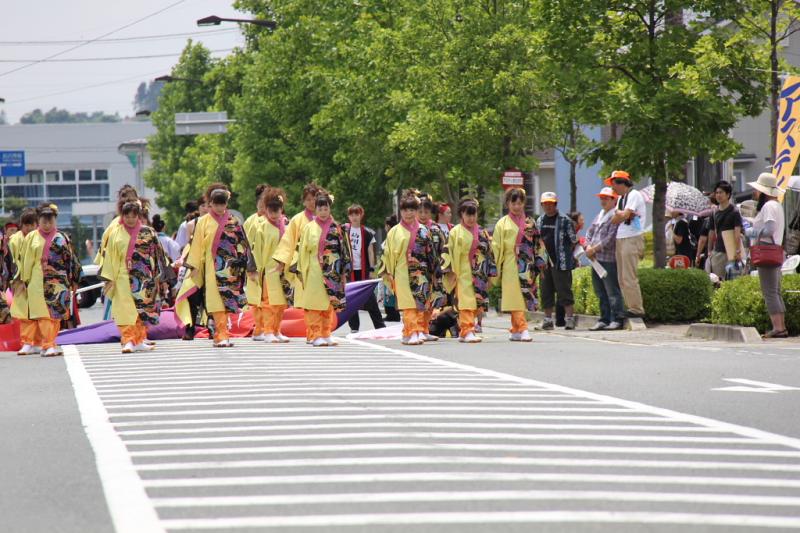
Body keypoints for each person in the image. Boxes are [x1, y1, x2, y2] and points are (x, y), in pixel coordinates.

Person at [176, 184, 255, 348]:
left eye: (223, 203)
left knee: (227, 302)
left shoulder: (234, 221)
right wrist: (194, 266)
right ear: (210, 203)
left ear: (227, 204)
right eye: (216, 203)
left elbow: (243, 244)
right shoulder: (203, 222)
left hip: (230, 268)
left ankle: (222, 333)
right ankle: (221, 335)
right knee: (216, 302)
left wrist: (246, 264)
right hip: (212, 268)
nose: (220, 207)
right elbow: (196, 245)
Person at [11, 204, 81, 357]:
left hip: (58, 280)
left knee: (54, 315)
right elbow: (26, 260)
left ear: (55, 221)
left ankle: (49, 343)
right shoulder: (31, 237)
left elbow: (71, 260)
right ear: (39, 221)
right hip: (37, 279)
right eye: (44, 222)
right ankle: (47, 344)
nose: (47, 225)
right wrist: (24, 279)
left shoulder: (62, 238)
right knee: (42, 314)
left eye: (50, 222)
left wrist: (74, 279)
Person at [101, 201, 169, 353]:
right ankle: (128, 340)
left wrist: (161, 277)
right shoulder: (115, 233)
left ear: (138, 216)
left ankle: (138, 339)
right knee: (125, 310)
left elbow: (159, 255)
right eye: (127, 216)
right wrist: (109, 278)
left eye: (133, 216)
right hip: (122, 276)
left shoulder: (148, 232)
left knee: (142, 309)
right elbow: (110, 257)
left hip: (145, 277)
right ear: (122, 216)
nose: (130, 219)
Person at [294, 193, 351, 347]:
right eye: (320, 208)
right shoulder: (308, 228)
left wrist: (344, 272)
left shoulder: (337, 227)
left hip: (333, 270)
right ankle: (315, 333)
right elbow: (303, 251)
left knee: (328, 304)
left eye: (326, 208)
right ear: (316, 210)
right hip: (313, 269)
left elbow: (344, 250)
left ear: (329, 209)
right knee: (314, 304)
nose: (323, 212)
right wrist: (302, 272)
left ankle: (326, 333)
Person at [381, 193, 436, 345]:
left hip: (421, 271)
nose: (409, 213)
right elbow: (388, 253)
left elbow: (430, 252)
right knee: (408, 303)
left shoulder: (424, 230)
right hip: (402, 271)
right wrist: (390, 273)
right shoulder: (394, 231)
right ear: (401, 212)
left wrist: (433, 272)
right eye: (405, 210)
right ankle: (411, 332)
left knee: (418, 303)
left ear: (416, 211)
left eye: (412, 210)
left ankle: (413, 331)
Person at [442, 197, 496, 343]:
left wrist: (490, 274)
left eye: (474, 214)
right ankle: (467, 330)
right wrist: (450, 271)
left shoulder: (482, 232)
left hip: (479, 273)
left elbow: (489, 254)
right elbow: (448, 252)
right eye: (468, 214)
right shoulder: (455, 232)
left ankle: (465, 329)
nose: (471, 218)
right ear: (461, 215)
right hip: (462, 272)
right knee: (466, 302)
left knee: (476, 303)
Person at [491, 187, 539, 342]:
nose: (517, 206)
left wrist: (540, 263)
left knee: (523, 295)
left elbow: (538, 244)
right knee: (515, 296)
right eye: (514, 203)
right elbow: (496, 246)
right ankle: (523, 328)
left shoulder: (529, 223)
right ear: (507, 204)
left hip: (527, 263)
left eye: (520, 203)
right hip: (510, 262)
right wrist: (494, 269)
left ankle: (516, 328)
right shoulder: (502, 224)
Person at [745, 173, 787, 338]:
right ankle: (780, 326)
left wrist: (753, 231)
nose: (755, 193)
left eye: (757, 190)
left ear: (764, 191)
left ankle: (778, 327)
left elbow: (769, 229)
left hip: (766, 249)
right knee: (775, 291)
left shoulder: (768, 206)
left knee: (769, 291)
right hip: (775, 249)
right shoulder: (777, 205)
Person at [273, 182, 324, 316]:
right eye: (308, 199)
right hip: (303, 264)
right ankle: (310, 330)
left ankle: (321, 331)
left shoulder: (326, 219)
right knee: (304, 299)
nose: (312, 202)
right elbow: (288, 241)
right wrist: (282, 261)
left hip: (322, 263)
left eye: (314, 199)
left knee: (322, 298)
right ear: (303, 202)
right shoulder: (297, 219)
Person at [248, 187, 292, 343]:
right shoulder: (262, 227)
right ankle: (267, 331)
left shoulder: (285, 226)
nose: (274, 213)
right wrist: (253, 270)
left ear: (281, 210)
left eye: (277, 210)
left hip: (282, 270)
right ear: (266, 209)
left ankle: (276, 330)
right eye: (271, 210)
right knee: (268, 302)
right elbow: (254, 250)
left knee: (280, 303)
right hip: (267, 269)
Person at [585, 187, 625, 331]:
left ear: (614, 200)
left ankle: (617, 319)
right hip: (595, 259)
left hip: (607, 259)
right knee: (600, 291)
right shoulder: (600, 214)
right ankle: (604, 318)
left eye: (606, 198)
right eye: (601, 198)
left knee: (612, 290)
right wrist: (587, 245)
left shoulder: (615, 215)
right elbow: (589, 232)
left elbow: (610, 239)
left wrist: (593, 249)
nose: (603, 201)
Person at [537, 192, 578, 330]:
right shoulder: (540, 221)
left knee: (564, 291)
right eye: (545, 203)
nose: (548, 206)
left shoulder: (565, 220)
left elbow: (573, 241)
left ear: (555, 204)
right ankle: (548, 320)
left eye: (551, 203)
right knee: (545, 291)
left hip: (561, 262)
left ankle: (570, 319)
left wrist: (566, 255)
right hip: (544, 263)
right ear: (542, 205)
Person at [607, 170, 646, 318]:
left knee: (629, 276)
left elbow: (624, 215)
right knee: (622, 277)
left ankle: (636, 309)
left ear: (623, 183)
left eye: (614, 183)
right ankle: (630, 307)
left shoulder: (634, 195)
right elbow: (615, 219)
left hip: (632, 237)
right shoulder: (620, 199)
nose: (613, 187)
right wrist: (622, 215)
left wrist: (622, 215)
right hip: (621, 237)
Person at [343, 204, 386, 333]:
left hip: (363, 270)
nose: (354, 217)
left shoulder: (367, 232)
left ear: (361, 215)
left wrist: (372, 269)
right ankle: (354, 327)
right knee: (350, 299)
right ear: (349, 216)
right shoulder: (344, 231)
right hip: (349, 271)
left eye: (357, 214)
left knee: (369, 298)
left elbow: (370, 252)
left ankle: (379, 326)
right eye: (352, 214)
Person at [416, 194, 446, 341]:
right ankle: (417, 328)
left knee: (430, 300)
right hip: (417, 271)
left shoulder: (436, 229)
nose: (423, 215)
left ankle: (425, 328)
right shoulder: (413, 229)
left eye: (426, 212)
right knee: (419, 300)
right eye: (420, 212)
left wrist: (442, 267)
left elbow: (443, 249)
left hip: (433, 271)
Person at [709, 180, 743, 280]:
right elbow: (711, 232)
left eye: (721, 192)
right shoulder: (714, 212)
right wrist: (709, 250)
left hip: (732, 252)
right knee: (717, 281)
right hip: (718, 251)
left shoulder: (735, 212)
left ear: (728, 194)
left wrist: (738, 250)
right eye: (717, 193)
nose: (718, 195)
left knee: (733, 282)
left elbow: (737, 232)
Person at [380, 214, 402, 322]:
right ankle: (391, 313)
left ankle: (393, 313)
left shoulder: (392, 236)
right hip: (388, 266)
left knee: (390, 291)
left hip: (390, 267)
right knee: (388, 291)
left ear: (388, 226)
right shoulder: (393, 236)